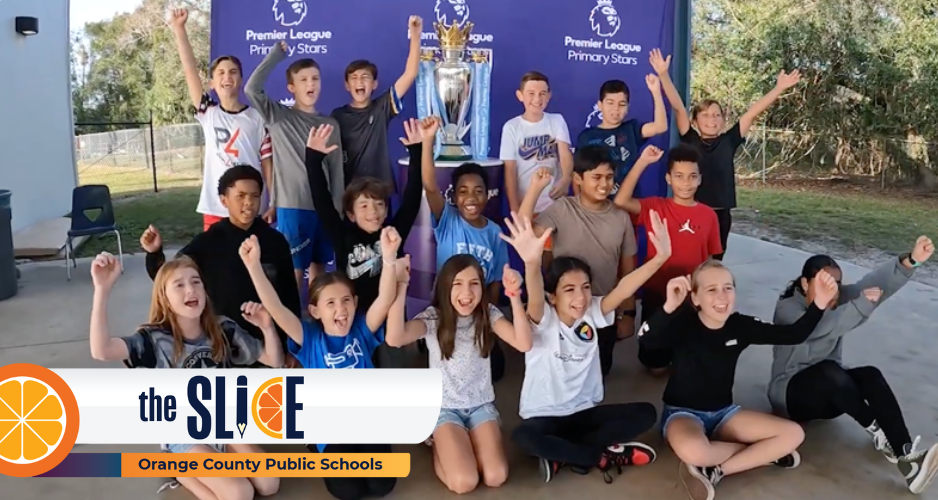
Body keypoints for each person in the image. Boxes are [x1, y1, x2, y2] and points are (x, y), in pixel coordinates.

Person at [638, 260, 839, 500]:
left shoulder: (740, 326)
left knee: (794, 434)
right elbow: (646, 340)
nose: (721, 296)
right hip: (682, 414)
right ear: (695, 298)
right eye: (711, 289)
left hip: (724, 414)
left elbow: (793, 335)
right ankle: (759, 454)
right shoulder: (682, 323)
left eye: (728, 288)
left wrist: (819, 303)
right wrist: (669, 306)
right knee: (695, 452)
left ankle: (719, 470)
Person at [88, 252, 283, 499]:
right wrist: (102, 290)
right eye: (179, 285)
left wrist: (267, 326)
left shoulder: (222, 329)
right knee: (239, 493)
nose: (190, 289)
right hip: (183, 434)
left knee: (269, 482)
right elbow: (101, 350)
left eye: (195, 281)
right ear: (165, 299)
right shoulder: (154, 340)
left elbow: (274, 360)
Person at [239, 226, 405, 500]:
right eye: (330, 303)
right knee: (348, 490)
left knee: (382, 485)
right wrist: (253, 266)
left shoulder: (362, 330)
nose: (341, 309)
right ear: (315, 311)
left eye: (346, 300)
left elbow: (385, 299)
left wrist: (388, 257)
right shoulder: (310, 338)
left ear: (355, 303)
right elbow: (277, 309)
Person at [512, 209, 672, 484]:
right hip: (545, 416)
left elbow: (623, 289)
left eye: (585, 287)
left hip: (584, 413)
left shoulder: (592, 312)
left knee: (646, 413)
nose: (581, 296)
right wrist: (531, 263)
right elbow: (535, 295)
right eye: (569, 289)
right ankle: (599, 456)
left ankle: (564, 454)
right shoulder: (542, 318)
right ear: (553, 297)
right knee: (522, 437)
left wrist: (660, 258)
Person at [384, 213, 541, 493]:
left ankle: (456, 443)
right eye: (457, 284)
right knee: (464, 482)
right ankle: (436, 441)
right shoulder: (434, 317)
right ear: (446, 288)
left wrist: (515, 297)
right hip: (444, 409)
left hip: (481, 406)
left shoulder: (488, 314)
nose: (466, 293)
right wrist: (402, 285)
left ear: (482, 287)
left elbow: (524, 344)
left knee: (495, 476)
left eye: (473, 284)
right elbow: (395, 338)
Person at [769, 236, 938, 494]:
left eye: (836, 283)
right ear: (805, 283)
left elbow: (876, 283)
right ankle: (879, 433)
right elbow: (821, 328)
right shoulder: (787, 309)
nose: (832, 290)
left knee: (870, 375)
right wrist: (860, 305)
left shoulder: (838, 297)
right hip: (790, 398)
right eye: (824, 282)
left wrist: (911, 261)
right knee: (828, 372)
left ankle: (907, 458)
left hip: (832, 396)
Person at [140, 165, 300, 367]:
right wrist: (154, 253)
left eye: (255, 196)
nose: (249, 202)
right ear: (224, 200)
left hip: (268, 343)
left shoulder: (275, 241)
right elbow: (168, 278)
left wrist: (293, 347)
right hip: (221, 345)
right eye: (240, 196)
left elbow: (290, 296)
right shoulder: (208, 243)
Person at [651, 48, 800, 259]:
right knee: (690, 258)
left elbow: (752, 112)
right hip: (693, 210)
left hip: (720, 214)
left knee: (715, 262)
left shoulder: (729, 140)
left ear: (723, 119)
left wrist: (779, 88)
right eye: (705, 115)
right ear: (695, 121)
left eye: (716, 115)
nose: (711, 120)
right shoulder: (690, 139)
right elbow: (678, 108)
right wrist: (663, 75)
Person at [305, 117, 429, 367]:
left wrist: (417, 151)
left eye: (379, 204)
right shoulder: (342, 234)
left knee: (391, 369)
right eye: (363, 205)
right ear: (351, 214)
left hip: (388, 316)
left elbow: (413, 198)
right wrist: (313, 159)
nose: (373, 211)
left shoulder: (392, 233)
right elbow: (321, 201)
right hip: (354, 318)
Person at [520, 146, 638, 376]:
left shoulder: (621, 218)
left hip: (603, 309)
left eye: (609, 177)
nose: (604, 184)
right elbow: (525, 232)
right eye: (596, 177)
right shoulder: (562, 209)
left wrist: (628, 314)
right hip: (562, 314)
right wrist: (535, 189)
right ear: (578, 179)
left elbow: (628, 272)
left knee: (599, 372)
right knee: (560, 372)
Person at [613, 144, 722, 374]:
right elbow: (621, 200)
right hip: (657, 293)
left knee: (689, 359)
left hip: (691, 296)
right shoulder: (655, 207)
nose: (686, 183)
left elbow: (710, 259)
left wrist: (709, 293)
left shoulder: (709, 215)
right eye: (679, 176)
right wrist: (643, 161)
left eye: (692, 176)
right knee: (655, 366)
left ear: (700, 179)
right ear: (668, 179)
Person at [245, 40, 344, 288]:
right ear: (291, 87)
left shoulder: (330, 124)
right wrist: (276, 55)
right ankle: (290, 314)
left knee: (320, 272)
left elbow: (336, 171)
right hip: (293, 207)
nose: (311, 84)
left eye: (315, 78)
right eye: (303, 80)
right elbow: (251, 89)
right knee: (295, 273)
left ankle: (314, 312)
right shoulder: (279, 116)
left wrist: (338, 209)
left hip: (324, 209)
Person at [168, 8, 275, 230]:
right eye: (221, 73)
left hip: (250, 208)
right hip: (215, 208)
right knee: (215, 254)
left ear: (241, 79)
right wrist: (179, 29)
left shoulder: (257, 117)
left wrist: (273, 201)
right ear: (212, 83)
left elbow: (267, 164)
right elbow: (189, 70)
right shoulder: (208, 113)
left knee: (251, 252)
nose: (227, 76)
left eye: (233, 72)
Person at [421, 117, 509, 380]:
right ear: (454, 196)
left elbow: (495, 282)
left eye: (478, 191)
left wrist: (488, 322)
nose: (471, 197)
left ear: (487, 194)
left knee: (494, 371)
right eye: (463, 191)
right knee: (444, 363)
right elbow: (429, 185)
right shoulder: (447, 219)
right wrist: (428, 140)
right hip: (446, 310)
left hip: (478, 313)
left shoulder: (495, 232)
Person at [331, 16, 422, 187]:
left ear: (374, 84)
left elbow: (410, 74)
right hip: (349, 190)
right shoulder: (337, 116)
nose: (359, 82)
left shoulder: (381, 108)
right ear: (347, 85)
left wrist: (415, 36)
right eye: (354, 78)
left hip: (380, 188)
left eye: (365, 77)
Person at [575, 68, 668, 199]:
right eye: (610, 103)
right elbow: (577, 175)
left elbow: (660, 127)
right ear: (600, 105)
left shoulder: (632, 129)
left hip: (628, 202)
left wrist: (656, 92)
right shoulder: (587, 136)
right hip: (596, 205)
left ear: (628, 107)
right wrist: (581, 206)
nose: (615, 109)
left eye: (621, 104)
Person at [500, 71, 574, 215]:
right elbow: (509, 171)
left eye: (542, 93)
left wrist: (566, 179)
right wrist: (515, 210)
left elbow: (565, 154)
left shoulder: (557, 120)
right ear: (520, 95)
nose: (537, 99)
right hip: (527, 205)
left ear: (549, 95)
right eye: (531, 93)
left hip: (555, 204)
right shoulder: (511, 127)